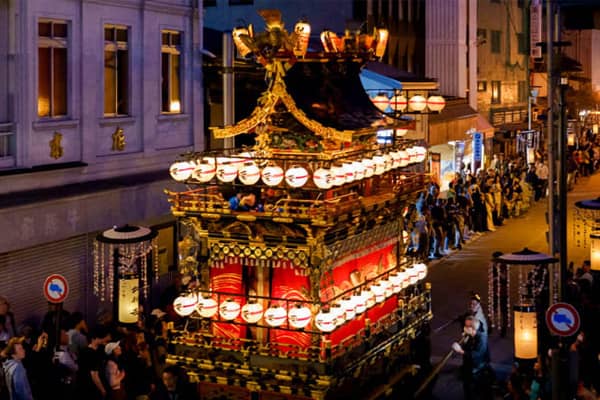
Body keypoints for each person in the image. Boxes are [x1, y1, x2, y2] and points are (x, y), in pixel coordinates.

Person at [452, 315, 494, 400]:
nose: (465, 328)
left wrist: (460, 351)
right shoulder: (469, 336)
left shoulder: (482, 338)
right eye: (465, 325)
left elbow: (477, 354)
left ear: (473, 328)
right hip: (469, 369)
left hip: (478, 370)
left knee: (476, 393)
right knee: (467, 390)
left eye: (467, 326)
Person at [75, 326, 111, 400]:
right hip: (90, 386)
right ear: (94, 338)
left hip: (87, 384)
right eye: (101, 337)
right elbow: (94, 374)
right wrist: (102, 390)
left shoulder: (95, 349)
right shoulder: (90, 353)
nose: (104, 339)